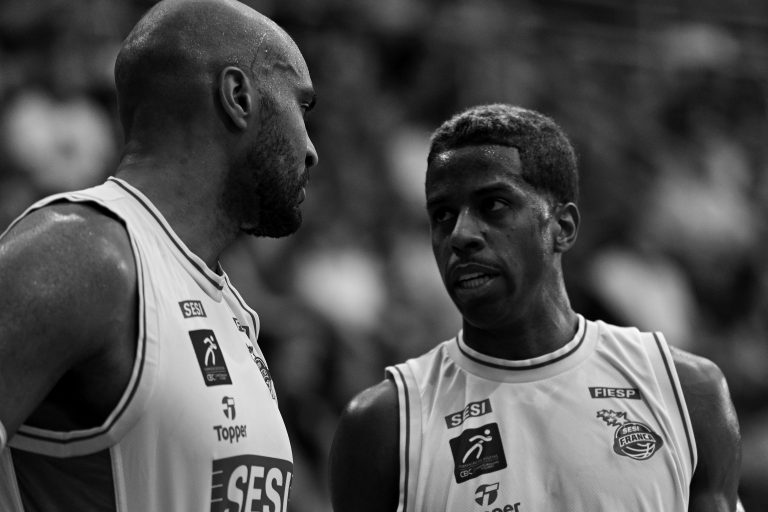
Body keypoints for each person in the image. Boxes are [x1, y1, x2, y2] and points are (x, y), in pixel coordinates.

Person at [329, 104, 743, 512]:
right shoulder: (385, 424)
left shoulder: (686, 391)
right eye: (442, 215)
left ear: (562, 227)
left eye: (493, 205)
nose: (460, 234)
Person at [0, 0, 317, 510]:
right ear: (239, 97)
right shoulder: (83, 251)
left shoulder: (232, 310)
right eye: (302, 106)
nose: (311, 149)